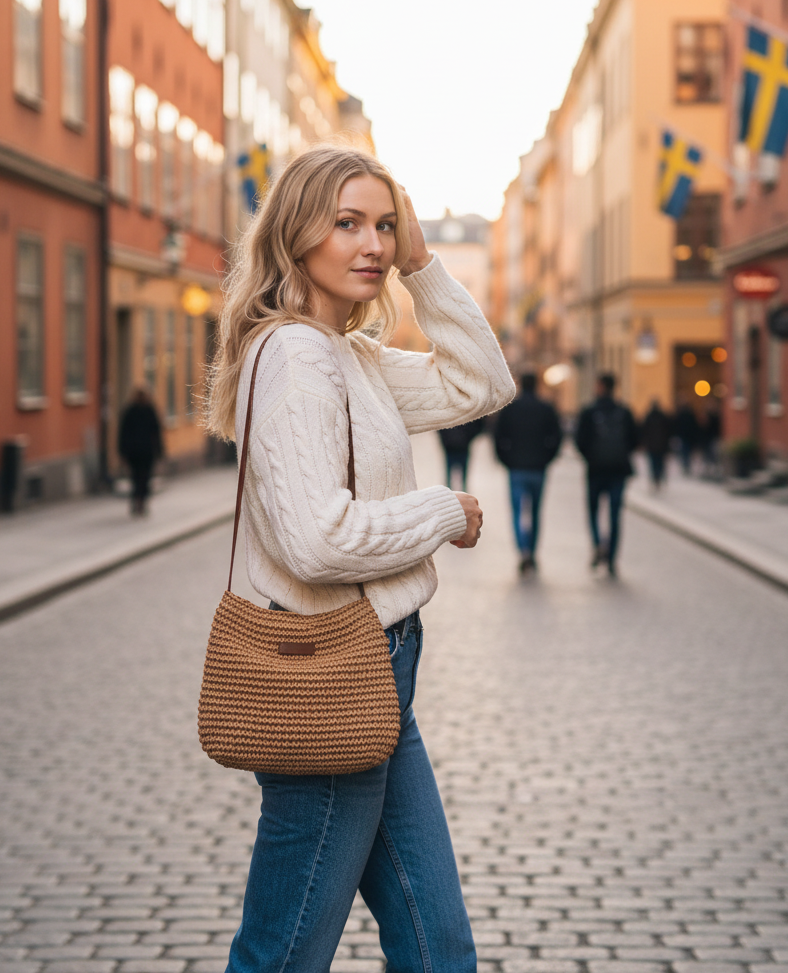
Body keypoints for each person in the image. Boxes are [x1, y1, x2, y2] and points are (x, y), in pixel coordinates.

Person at [203, 142, 514, 971]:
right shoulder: (299, 357)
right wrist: (443, 510)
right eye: (346, 224)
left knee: (436, 945)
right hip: (329, 676)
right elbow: (316, 539)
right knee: (282, 954)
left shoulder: (352, 356)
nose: (371, 244)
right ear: (297, 232)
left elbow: (483, 385)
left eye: (383, 224)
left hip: (381, 677)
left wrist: (423, 264)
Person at [494, 371, 562, 571]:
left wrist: (506, 460)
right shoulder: (546, 408)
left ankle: (522, 549)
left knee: (517, 511)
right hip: (538, 469)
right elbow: (557, 438)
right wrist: (546, 459)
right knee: (536, 511)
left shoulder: (510, 409)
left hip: (516, 468)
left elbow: (498, 437)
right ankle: (531, 551)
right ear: (537, 385)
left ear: (521, 384)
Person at [574, 373, 639, 577]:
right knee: (615, 515)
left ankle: (597, 543)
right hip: (618, 471)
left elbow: (579, 440)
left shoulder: (589, 411)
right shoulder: (624, 411)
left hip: (595, 470)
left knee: (593, 511)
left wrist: (590, 457)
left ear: (600, 386)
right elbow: (635, 439)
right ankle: (611, 558)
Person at [117, 386, 163, 516]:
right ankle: (139, 502)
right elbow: (124, 433)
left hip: (140, 452)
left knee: (140, 478)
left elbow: (156, 432)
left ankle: (139, 502)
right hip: (141, 452)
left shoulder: (136, 411)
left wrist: (122, 451)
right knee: (140, 478)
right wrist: (159, 451)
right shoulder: (143, 411)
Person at [438, 417, 485, 490]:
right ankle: (455, 491)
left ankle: (455, 492)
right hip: (455, 446)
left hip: (458, 445)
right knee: (456, 475)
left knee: (454, 475)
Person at [641, 399, 672, 490]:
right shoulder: (663, 416)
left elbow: (644, 430)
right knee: (660, 463)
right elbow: (668, 431)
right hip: (661, 445)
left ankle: (655, 478)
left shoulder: (649, 416)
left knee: (653, 463)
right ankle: (658, 478)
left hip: (651, 445)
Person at [674, 398, 701, 475]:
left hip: (684, 437)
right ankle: (686, 466)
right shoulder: (691, 414)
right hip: (688, 437)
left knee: (684, 452)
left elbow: (676, 426)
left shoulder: (680, 414)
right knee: (687, 453)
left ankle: (685, 466)